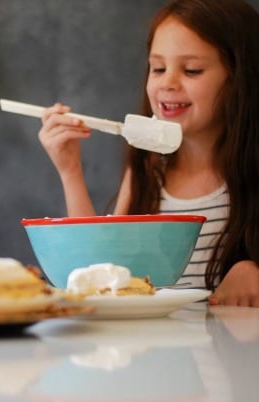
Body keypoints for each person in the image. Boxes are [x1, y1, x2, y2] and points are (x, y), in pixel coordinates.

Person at [37, 0, 259, 307]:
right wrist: (70, 170)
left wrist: (252, 270)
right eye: (158, 68)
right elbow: (99, 275)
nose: (167, 83)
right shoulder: (147, 170)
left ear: (240, 78)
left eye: (192, 70)